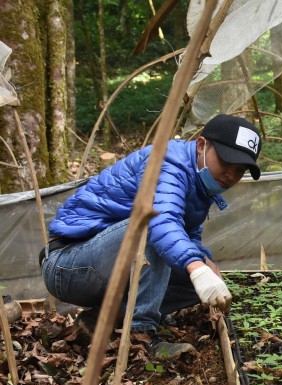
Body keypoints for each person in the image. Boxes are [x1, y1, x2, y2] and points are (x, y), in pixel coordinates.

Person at [40, 114, 262, 359]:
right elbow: (162, 221)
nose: (230, 175)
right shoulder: (166, 162)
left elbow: (186, 237)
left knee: (195, 279)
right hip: (69, 265)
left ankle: (102, 319)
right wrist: (196, 266)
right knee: (152, 227)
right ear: (201, 145)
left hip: (103, 268)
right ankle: (140, 336)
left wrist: (204, 263)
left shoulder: (199, 184)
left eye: (239, 170)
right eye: (226, 161)